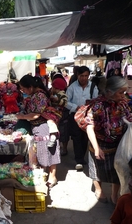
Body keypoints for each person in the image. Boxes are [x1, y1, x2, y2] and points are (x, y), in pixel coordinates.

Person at [80, 76, 132, 204]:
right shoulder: (97, 106)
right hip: (99, 143)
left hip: (118, 144)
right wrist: (97, 148)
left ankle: (115, 195)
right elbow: (89, 127)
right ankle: (99, 190)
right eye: (120, 92)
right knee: (97, 170)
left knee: (117, 171)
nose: (123, 95)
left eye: (124, 92)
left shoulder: (123, 103)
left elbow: (130, 118)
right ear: (109, 92)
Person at [16, 74, 62, 188]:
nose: (23, 91)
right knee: (44, 151)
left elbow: (36, 115)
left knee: (49, 151)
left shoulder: (39, 96)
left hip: (43, 126)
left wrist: (21, 117)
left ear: (30, 87)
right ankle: (48, 176)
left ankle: (52, 177)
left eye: (24, 88)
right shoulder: (35, 95)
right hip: (39, 127)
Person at [66, 65, 99, 170]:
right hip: (75, 116)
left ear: (89, 76)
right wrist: (77, 107)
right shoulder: (72, 87)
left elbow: (96, 100)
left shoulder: (93, 87)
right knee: (76, 137)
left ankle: (82, 156)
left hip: (88, 117)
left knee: (85, 137)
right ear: (77, 75)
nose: (84, 78)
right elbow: (66, 102)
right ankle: (79, 159)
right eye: (81, 76)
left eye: (86, 76)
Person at [50, 76, 69, 155]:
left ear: (56, 87)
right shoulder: (55, 93)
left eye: (53, 87)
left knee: (63, 132)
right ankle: (58, 146)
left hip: (62, 116)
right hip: (57, 116)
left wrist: (57, 100)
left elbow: (65, 103)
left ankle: (64, 148)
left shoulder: (62, 94)